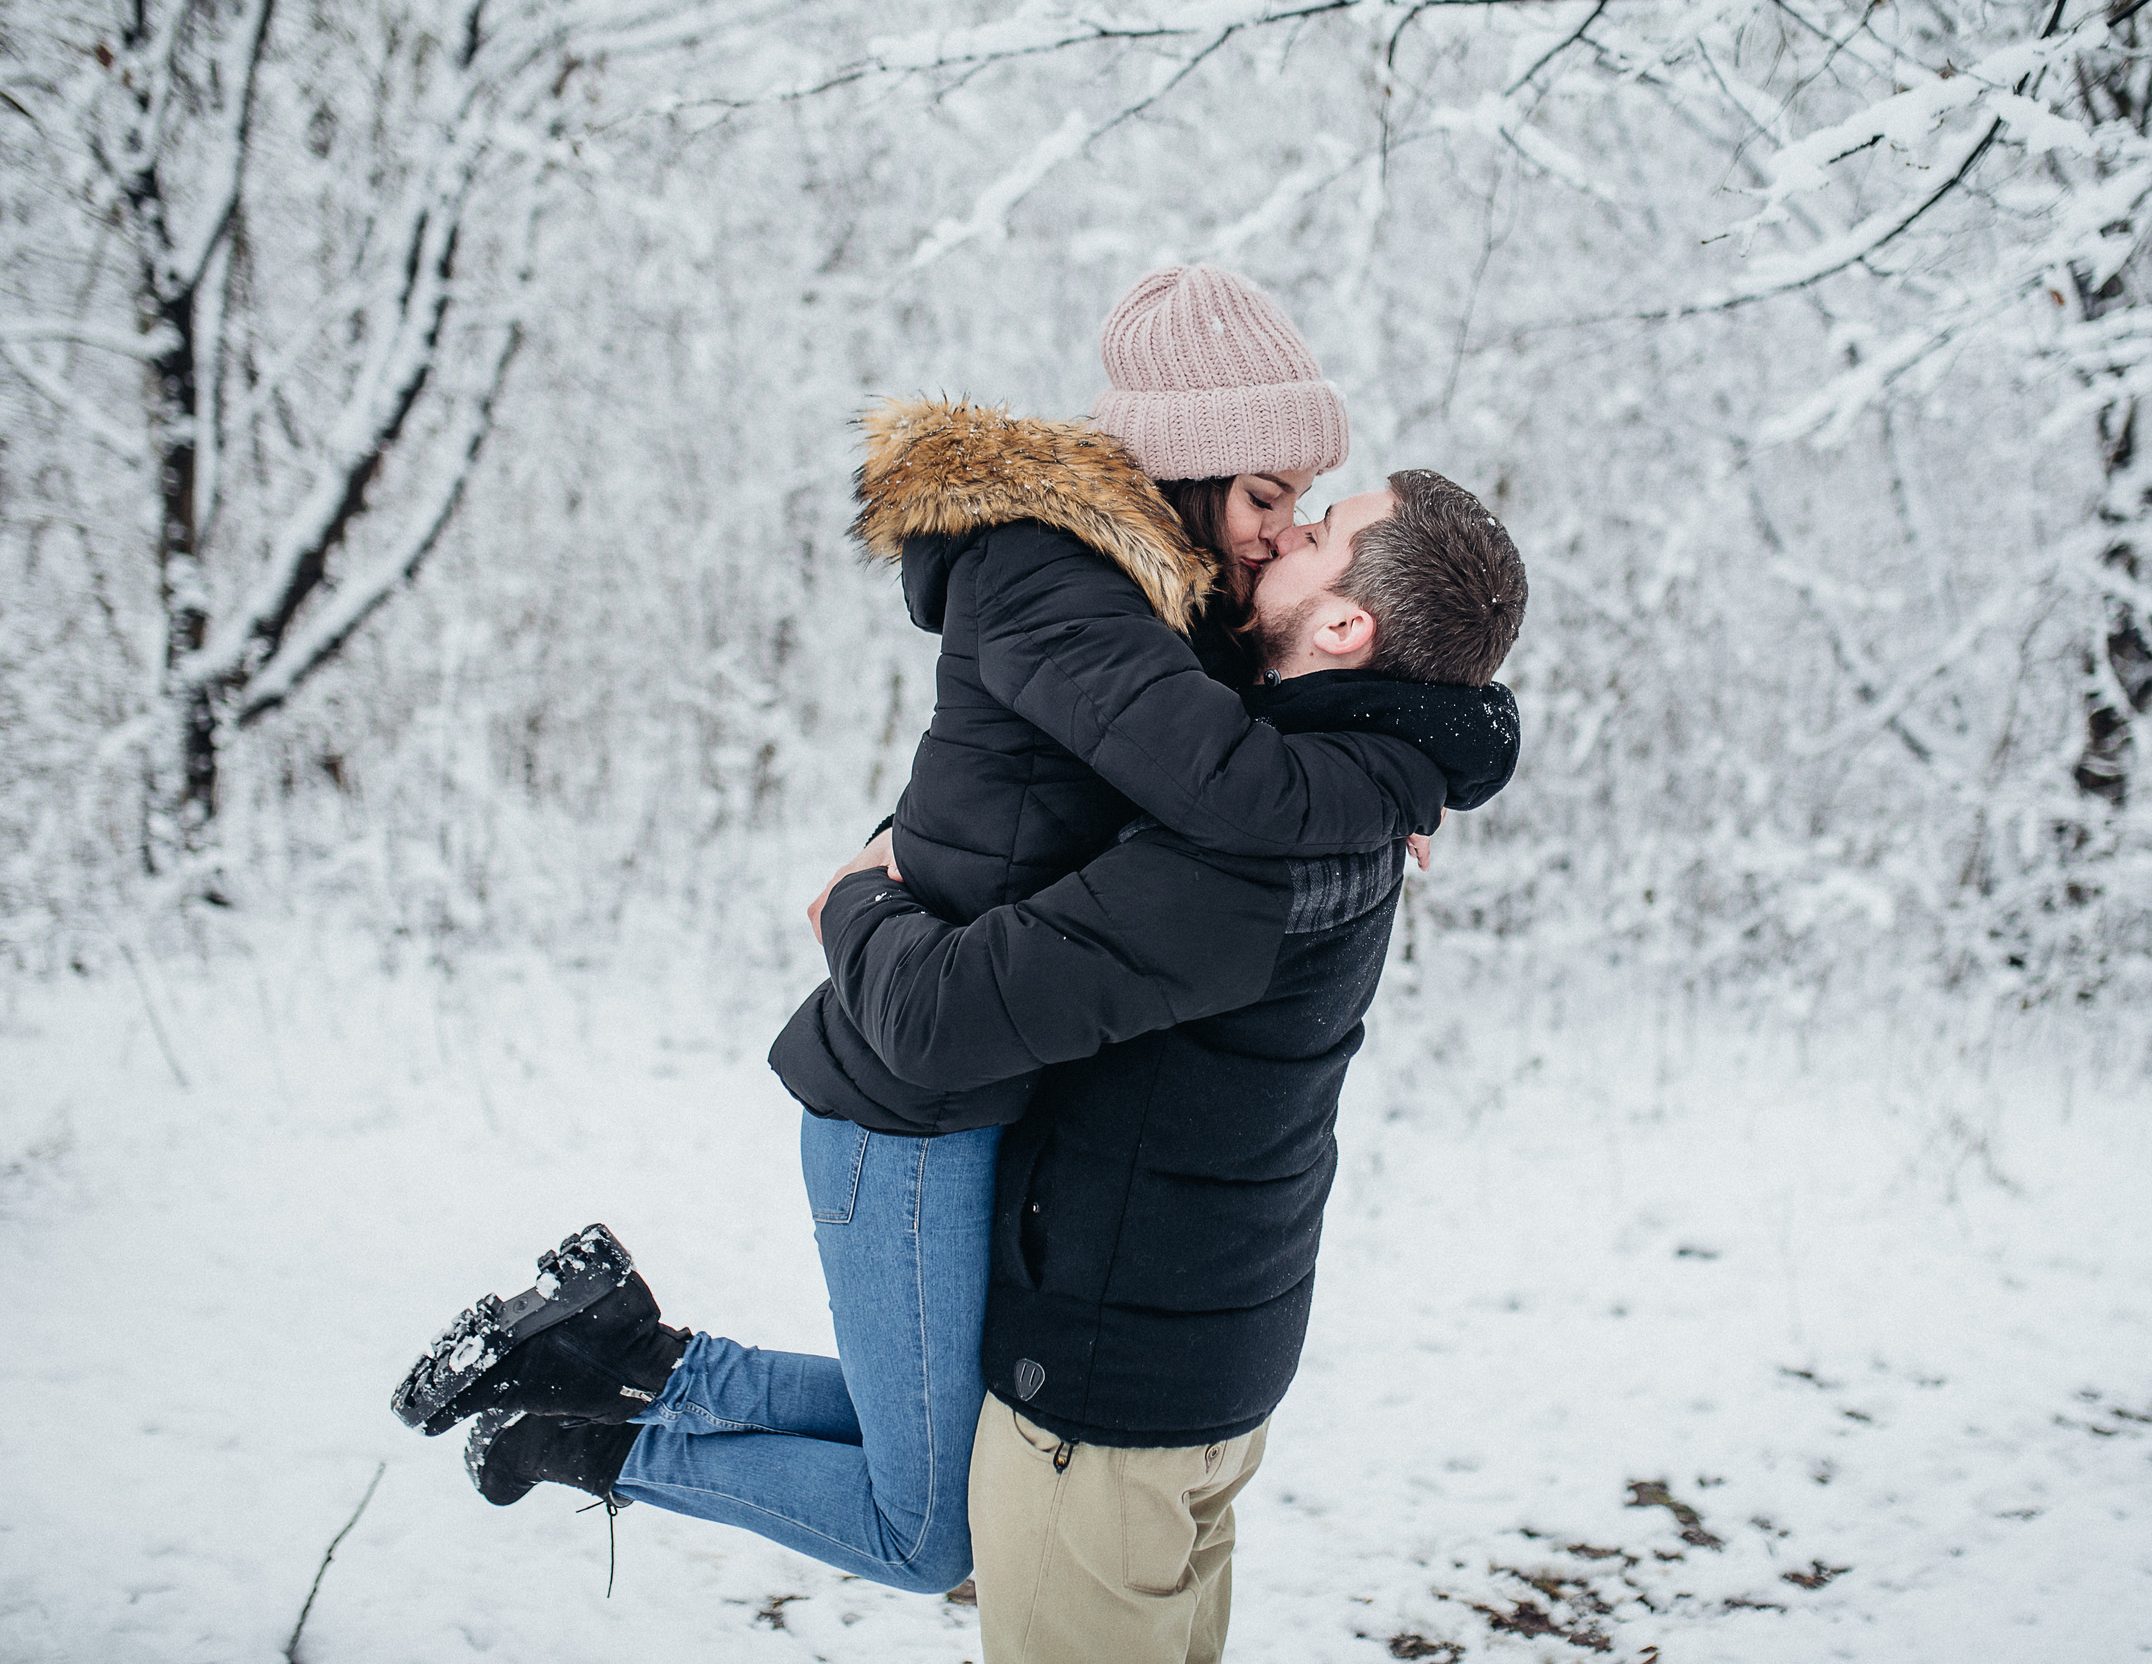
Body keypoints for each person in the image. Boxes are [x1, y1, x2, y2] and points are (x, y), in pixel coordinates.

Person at [388, 268, 1506, 1597]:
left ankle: (620, 1356)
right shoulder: (1055, 576)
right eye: (1267, 499)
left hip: (988, 1077)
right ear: (1192, 470)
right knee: (935, 1534)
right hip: (911, 1095)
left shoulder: (1168, 602)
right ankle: (596, 1434)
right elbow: (1232, 786)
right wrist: (1398, 775)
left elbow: (1250, 726)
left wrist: (1422, 729)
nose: (1277, 535)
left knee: (954, 1452)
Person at [815, 468, 1527, 1662]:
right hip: (1204, 1357)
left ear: (1346, 627)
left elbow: (939, 1018)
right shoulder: (1347, 783)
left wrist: (852, 902)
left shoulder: (1252, 857)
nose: (1290, 530)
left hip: (1108, 1394)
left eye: (1324, 528)